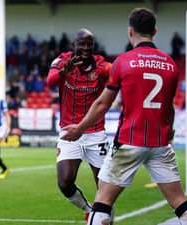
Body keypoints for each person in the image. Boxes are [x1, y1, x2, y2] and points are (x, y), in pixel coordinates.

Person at [61, 8, 187, 225]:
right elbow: (169, 107)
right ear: (154, 31)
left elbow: (102, 104)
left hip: (128, 141)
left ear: (130, 32)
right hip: (161, 143)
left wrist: (79, 128)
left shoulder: (123, 61)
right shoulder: (170, 64)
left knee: (102, 205)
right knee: (182, 206)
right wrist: (170, 134)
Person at [47, 28, 112, 222]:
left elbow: (119, 74)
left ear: (94, 45)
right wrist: (62, 71)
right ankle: (87, 208)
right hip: (68, 132)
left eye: (89, 43)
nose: (85, 47)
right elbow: (50, 81)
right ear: (73, 45)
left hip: (95, 133)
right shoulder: (61, 61)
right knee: (65, 183)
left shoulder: (102, 66)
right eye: (81, 44)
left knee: (105, 187)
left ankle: (107, 220)